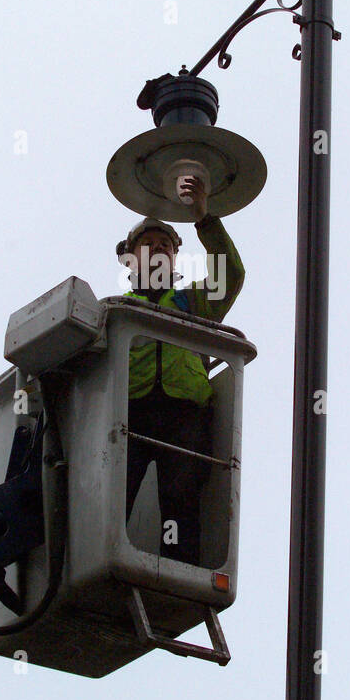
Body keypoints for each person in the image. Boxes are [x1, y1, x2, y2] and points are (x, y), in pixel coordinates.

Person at [116, 175, 245, 565]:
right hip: (129, 415)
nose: (157, 250)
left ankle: (177, 576)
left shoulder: (191, 301)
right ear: (129, 258)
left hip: (184, 415)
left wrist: (203, 217)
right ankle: (108, 566)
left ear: (174, 258)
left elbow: (231, 276)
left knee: (181, 499)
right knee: (114, 497)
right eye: (147, 244)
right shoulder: (116, 309)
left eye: (165, 246)